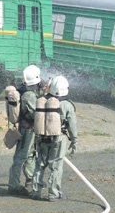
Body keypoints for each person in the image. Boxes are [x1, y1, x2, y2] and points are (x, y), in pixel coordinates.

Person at [33, 75, 78, 202]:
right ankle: (54, 194)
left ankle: (36, 192)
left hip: (41, 138)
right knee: (56, 167)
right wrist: (74, 141)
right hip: (58, 138)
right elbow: (72, 125)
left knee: (40, 165)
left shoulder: (42, 101)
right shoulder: (67, 105)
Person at [8, 65, 41, 196]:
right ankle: (14, 185)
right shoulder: (29, 95)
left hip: (26, 128)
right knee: (21, 157)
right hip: (27, 130)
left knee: (30, 155)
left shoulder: (23, 91)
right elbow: (35, 114)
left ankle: (31, 180)